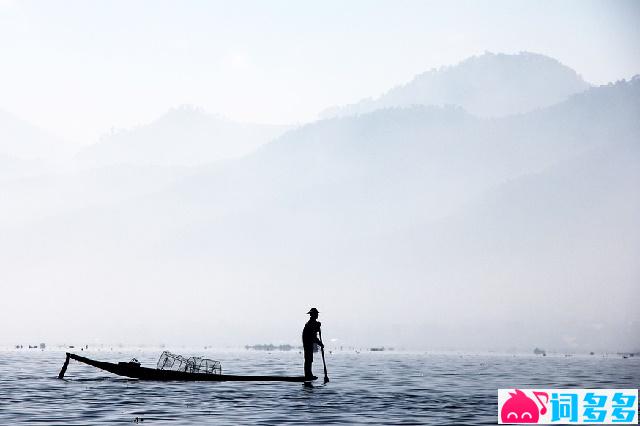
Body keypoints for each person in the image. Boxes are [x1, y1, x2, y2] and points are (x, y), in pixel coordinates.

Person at [302, 307, 324, 380]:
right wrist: (320, 343)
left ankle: (309, 374)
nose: (317, 315)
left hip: (309, 342)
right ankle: (308, 375)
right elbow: (313, 336)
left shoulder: (313, 323)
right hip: (307, 342)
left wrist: (317, 327)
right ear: (313, 315)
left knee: (309, 359)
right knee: (308, 359)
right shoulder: (311, 323)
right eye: (316, 314)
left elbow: (314, 334)